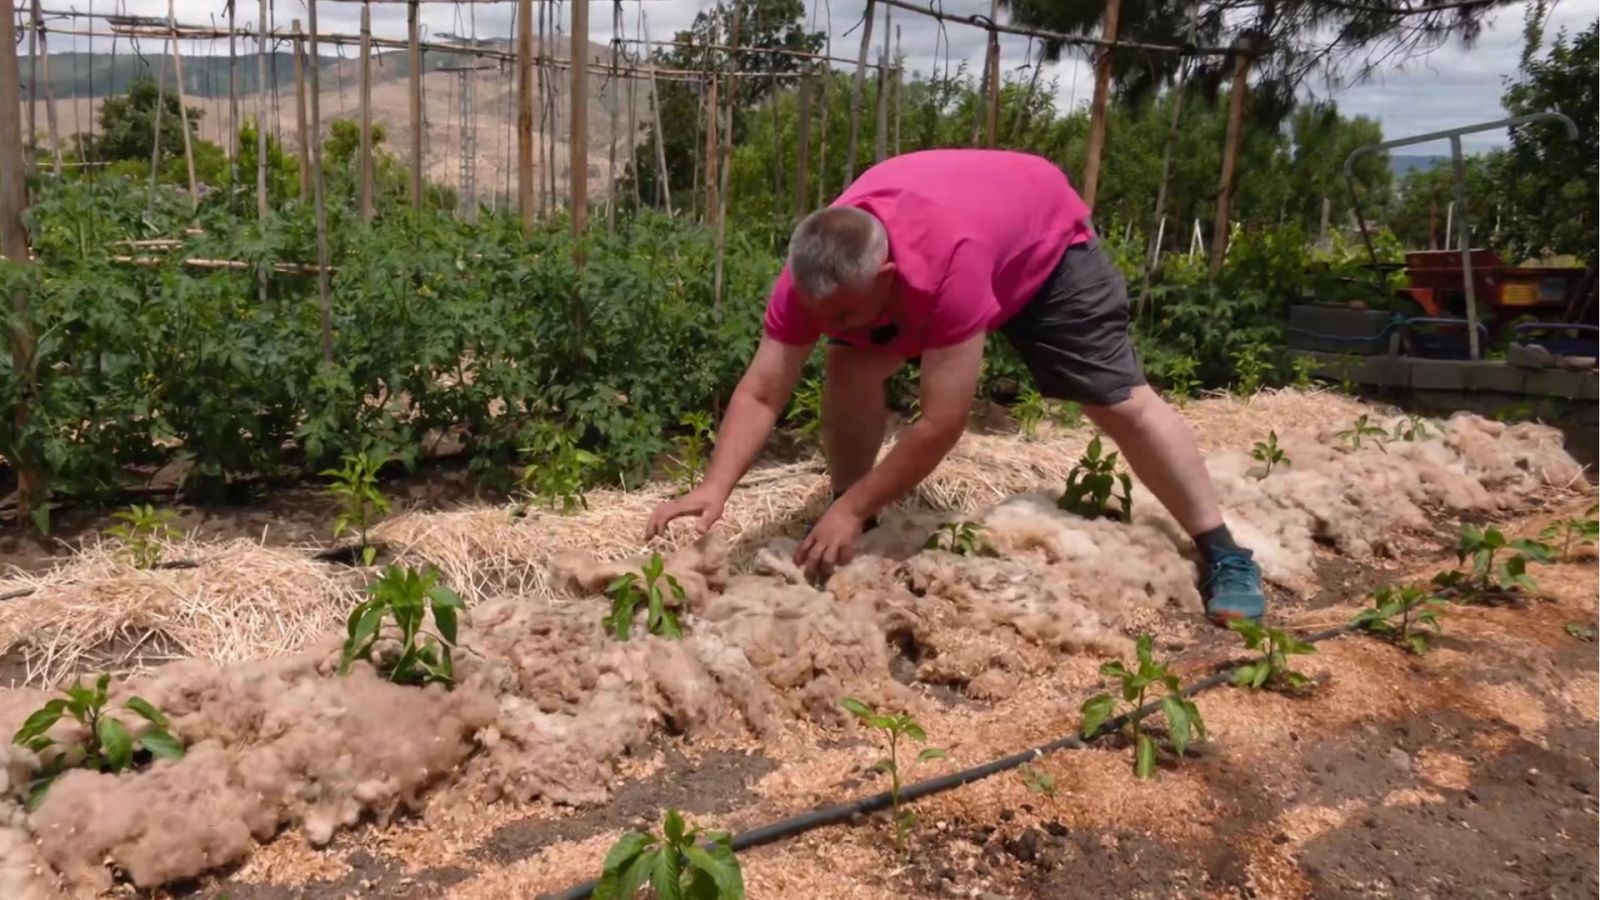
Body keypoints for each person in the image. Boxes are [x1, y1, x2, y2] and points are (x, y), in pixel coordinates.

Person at [646, 148, 1265, 625]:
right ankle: (852, 513)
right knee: (850, 364)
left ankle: (1223, 549)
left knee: (1114, 399)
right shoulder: (818, 281)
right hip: (959, 232)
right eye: (820, 314)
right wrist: (716, 484)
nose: (825, 328)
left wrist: (854, 504)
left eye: (842, 316)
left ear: (887, 274)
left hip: (1044, 247)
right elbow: (762, 391)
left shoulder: (948, 265)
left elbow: (942, 423)